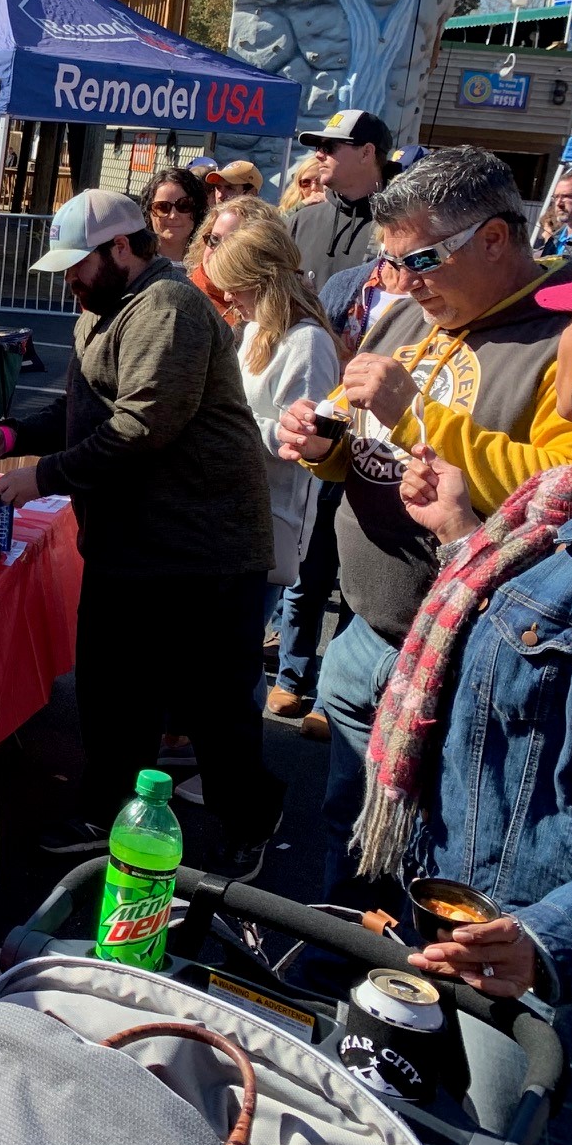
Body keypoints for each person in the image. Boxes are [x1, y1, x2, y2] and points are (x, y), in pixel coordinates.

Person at [359, 226, 572, 1145]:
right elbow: (556, 656)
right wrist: (464, 536)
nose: (560, 339)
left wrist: (548, 939)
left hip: (571, 971)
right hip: (506, 930)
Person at [275, 147, 572, 909]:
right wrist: (326, 445)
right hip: (369, 634)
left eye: (420, 258)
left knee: (444, 857)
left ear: (495, 239)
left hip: (476, 660)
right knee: (350, 829)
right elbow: (364, 446)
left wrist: (415, 414)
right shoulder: (404, 313)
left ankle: (409, 1007)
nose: (403, 279)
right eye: (390, 261)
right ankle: (337, 967)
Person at [0, 189, 282, 875]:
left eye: (79, 264)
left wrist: (40, 477)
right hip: (133, 545)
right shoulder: (107, 308)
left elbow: (141, 428)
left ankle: (250, 823)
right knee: (113, 695)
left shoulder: (168, 307)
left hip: (203, 548)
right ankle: (108, 814)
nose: (70, 279)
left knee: (212, 705)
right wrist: (8, 435)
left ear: (123, 248)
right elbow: (83, 410)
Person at [202, 220, 343, 719]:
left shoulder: (308, 343)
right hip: (231, 514)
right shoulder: (260, 328)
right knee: (216, 657)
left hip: (266, 522)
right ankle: (207, 758)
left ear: (261, 282)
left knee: (233, 664)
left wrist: (224, 418)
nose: (229, 299)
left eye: (234, 289)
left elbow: (303, 445)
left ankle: (234, 773)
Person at [288, 107, 392, 291]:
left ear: (366, 153)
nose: (318, 155)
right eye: (318, 147)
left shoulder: (401, 227)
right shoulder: (301, 221)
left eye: (329, 147)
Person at [187, 195, 281, 327]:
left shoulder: (272, 309)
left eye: (232, 244)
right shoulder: (183, 296)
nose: (218, 251)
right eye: (214, 240)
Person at [138, 166, 209, 267]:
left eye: (184, 205)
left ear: (197, 210)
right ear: (149, 212)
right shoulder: (133, 264)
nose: (173, 215)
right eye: (162, 207)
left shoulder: (209, 265)